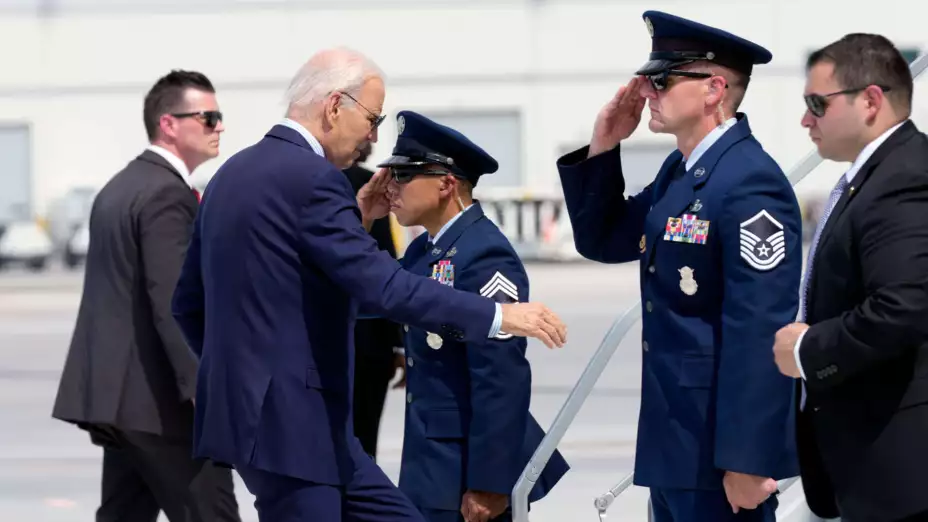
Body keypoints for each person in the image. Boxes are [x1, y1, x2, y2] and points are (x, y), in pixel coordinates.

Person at [170, 47, 567, 522]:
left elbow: (191, 305)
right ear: (335, 106)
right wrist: (500, 316)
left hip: (288, 426)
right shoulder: (314, 178)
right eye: (373, 119)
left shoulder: (230, 175)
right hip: (292, 425)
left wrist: (239, 376)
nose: (374, 138)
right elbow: (383, 288)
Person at [557, 11, 801, 522]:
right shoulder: (682, 171)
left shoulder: (750, 182)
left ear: (714, 90)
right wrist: (605, 145)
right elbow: (605, 239)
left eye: (662, 80)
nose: (646, 91)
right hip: (674, 447)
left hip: (718, 454)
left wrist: (747, 459)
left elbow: (758, 329)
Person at [51, 70, 239, 522]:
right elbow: (173, 302)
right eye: (208, 117)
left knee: (123, 514)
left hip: (121, 401)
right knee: (212, 513)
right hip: (160, 406)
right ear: (169, 124)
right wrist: (203, 387)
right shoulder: (164, 195)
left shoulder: (121, 186)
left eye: (219, 117)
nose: (220, 127)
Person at [378, 111, 570, 522]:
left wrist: (491, 482)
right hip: (433, 463)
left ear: (447, 184)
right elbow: (370, 293)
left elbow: (500, 376)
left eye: (403, 177)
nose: (390, 189)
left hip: (466, 469)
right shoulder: (424, 250)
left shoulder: (483, 254)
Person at [773, 33, 928, 522]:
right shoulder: (874, 175)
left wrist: (807, 350)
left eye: (817, 104)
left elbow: (904, 306)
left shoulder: (902, 178)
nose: (805, 119)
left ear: (871, 100)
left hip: (902, 477)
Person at [343, 142, 408, 460]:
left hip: (324, 340)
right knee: (364, 443)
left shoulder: (303, 182)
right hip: (370, 339)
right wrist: (398, 343)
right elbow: (384, 267)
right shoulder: (370, 186)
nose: (372, 137)